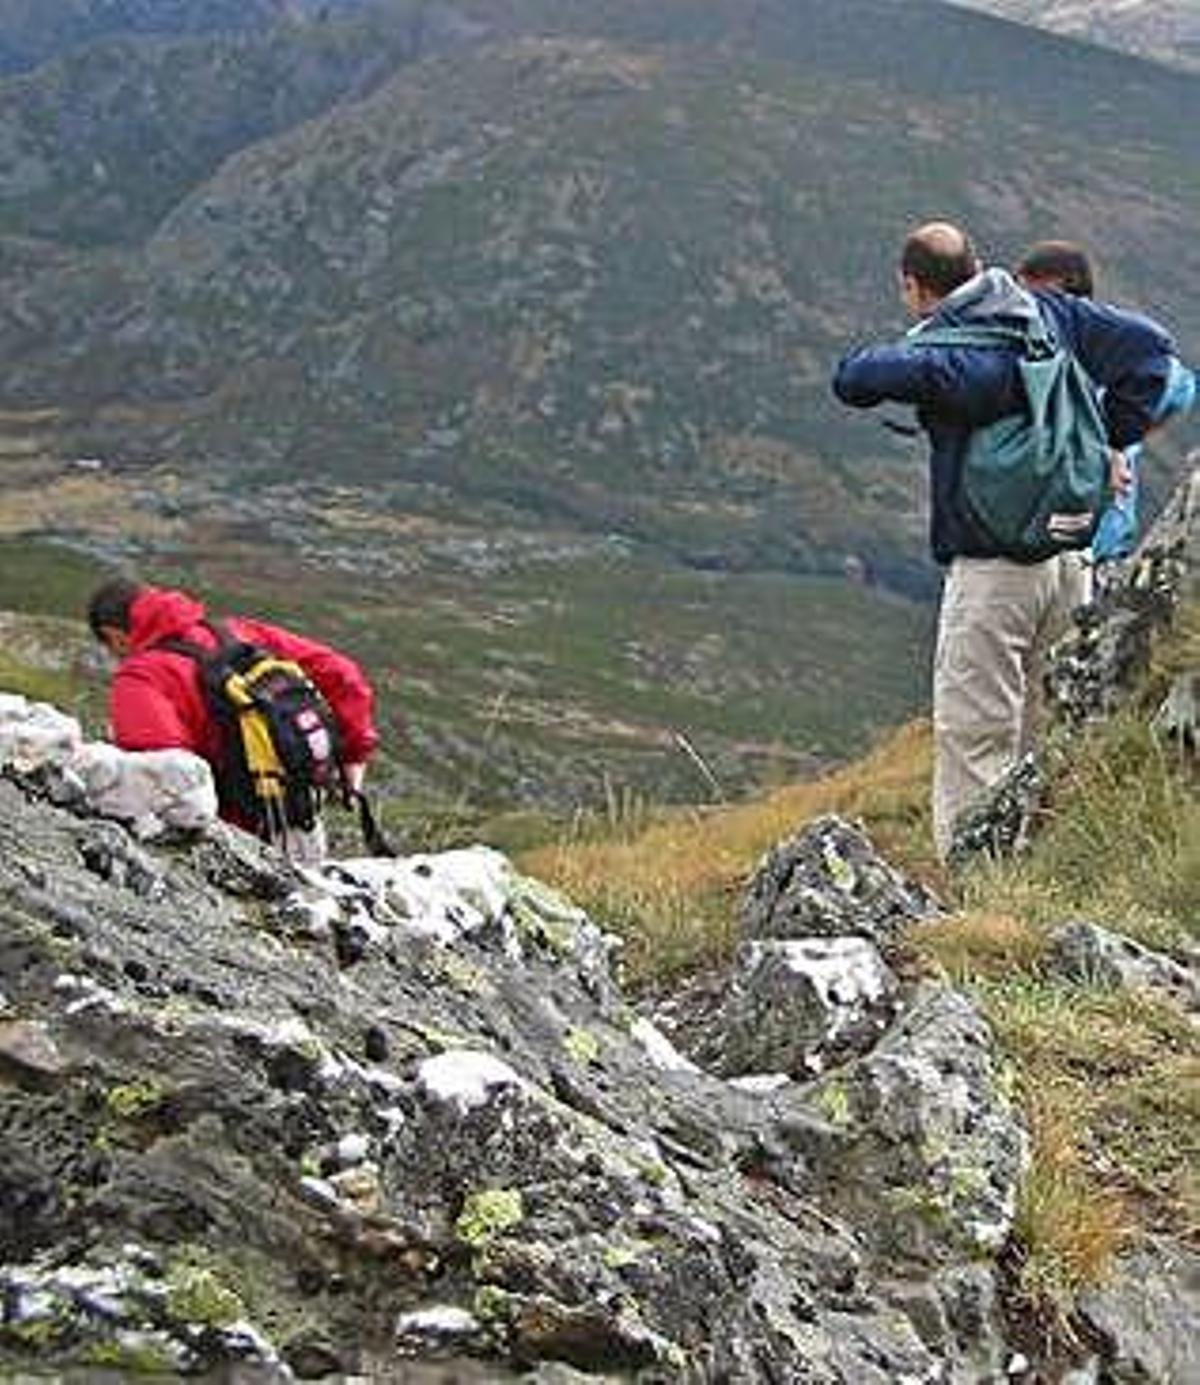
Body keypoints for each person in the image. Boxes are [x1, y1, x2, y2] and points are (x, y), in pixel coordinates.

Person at [832, 221, 1178, 862]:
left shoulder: (949, 360)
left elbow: (855, 379)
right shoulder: (1047, 313)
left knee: (976, 737)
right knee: (1049, 737)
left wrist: (872, 363)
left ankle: (977, 891)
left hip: (993, 572)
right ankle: (1049, 874)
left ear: (912, 286)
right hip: (1072, 561)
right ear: (978, 266)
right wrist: (1106, 435)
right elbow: (1153, 352)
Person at [87, 579, 379, 860]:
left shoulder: (140, 677)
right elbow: (343, 674)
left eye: (111, 648)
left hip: (235, 841)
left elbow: (167, 771)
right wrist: (355, 756)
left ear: (114, 635)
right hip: (301, 822)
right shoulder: (238, 631)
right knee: (311, 906)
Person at [1017, 239, 1196, 569]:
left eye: (1030, 287)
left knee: (1106, 454)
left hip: (1154, 375)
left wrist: (1113, 442)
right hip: (1170, 377)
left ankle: (1102, 554)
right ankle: (1105, 551)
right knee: (1114, 450)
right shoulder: (1094, 324)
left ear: (1057, 284)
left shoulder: (1062, 321)